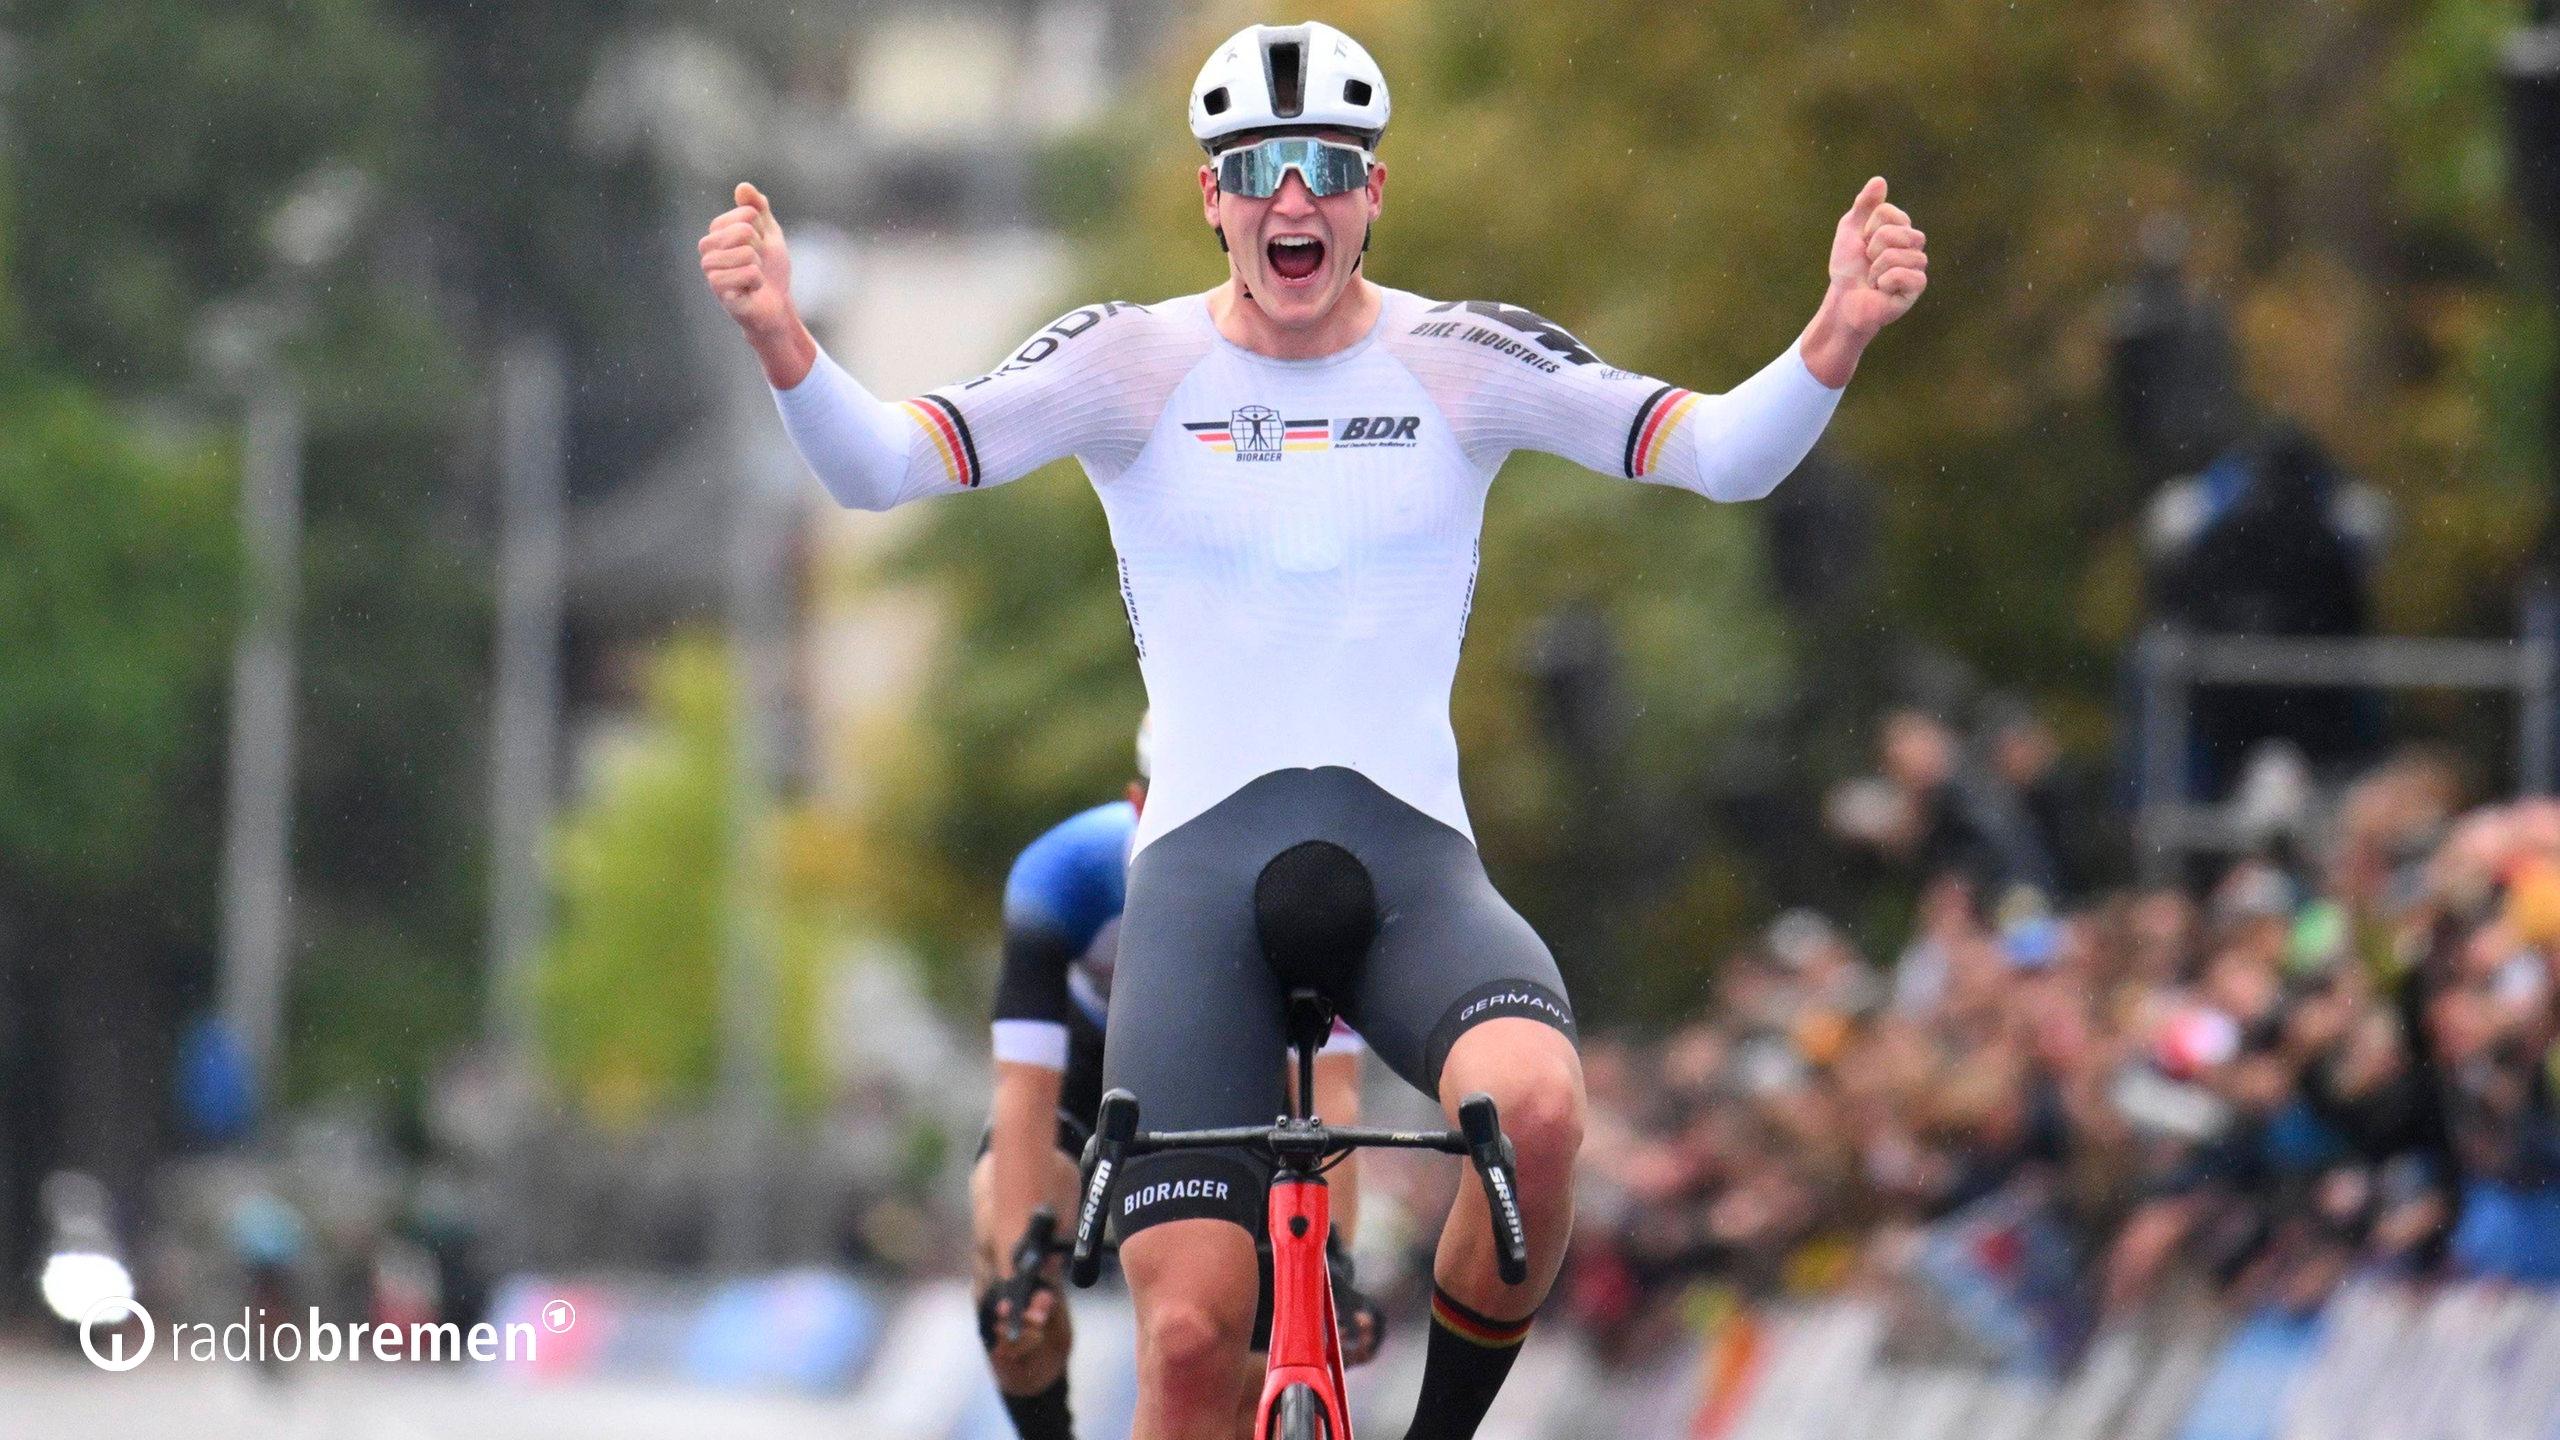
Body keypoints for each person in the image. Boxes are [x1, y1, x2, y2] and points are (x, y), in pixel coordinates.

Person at [699, 21, 1925, 1438]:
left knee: (1537, 1115)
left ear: (1373, 194)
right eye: (1258, 169)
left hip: (1412, 876)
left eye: (1328, 169)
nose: (1294, 198)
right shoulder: (1126, 362)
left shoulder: (1462, 357)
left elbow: (1718, 453)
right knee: (1187, 1341)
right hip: (1201, 891)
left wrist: (1835, 334)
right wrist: (782, 337)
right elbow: (878, 469)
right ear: (1211, 197)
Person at [970, 715, 1375, 1440]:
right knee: (1010, 1283)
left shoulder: (1302, 882)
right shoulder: (1067, 873)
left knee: (1224, 1356)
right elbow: (1025, 1090)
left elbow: (1332, 1094)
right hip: (1093, 1072)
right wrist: (1017, 1271)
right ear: (1137, 805)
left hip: (1234, 1076)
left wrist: (1333, 1265)